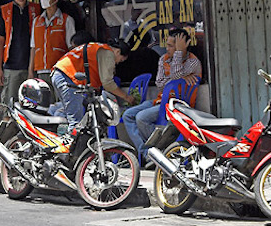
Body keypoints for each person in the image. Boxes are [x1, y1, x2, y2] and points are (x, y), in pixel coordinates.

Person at [123, 27, 202, 159]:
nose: (167, 49)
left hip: (177, 105)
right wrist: (179, 77)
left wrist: (179, 53)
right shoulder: (163, 59)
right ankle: (147, 154)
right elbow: (160, 84)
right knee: (128, 115)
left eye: (172, 46)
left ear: (182, 46)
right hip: (160, 101)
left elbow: (175, 75)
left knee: (141, 118)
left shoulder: (192, 61)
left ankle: (160, 152)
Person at [51, 39, 135, 130]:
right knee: (75, 122)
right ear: (118, 51)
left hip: (60, 74)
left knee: (68, 114)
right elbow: (108, 83)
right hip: (69, 78)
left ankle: (62, 138)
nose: (118, 63)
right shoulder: (108, 53)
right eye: (121, 60)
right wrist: (127, 97)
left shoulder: (99, 48)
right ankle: (72, 143)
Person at [0, 0, 41, 106]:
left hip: (33, 65)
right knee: (10, 103)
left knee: (33, 104)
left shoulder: (36, 9)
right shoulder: (4, 10)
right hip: (11, 65)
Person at [28, 0, 76, 89]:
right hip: (41, 70)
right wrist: (30, 71)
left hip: (60, 71)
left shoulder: (66, 20)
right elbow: (33, 48)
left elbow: (72, 49)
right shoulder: (37, 21)